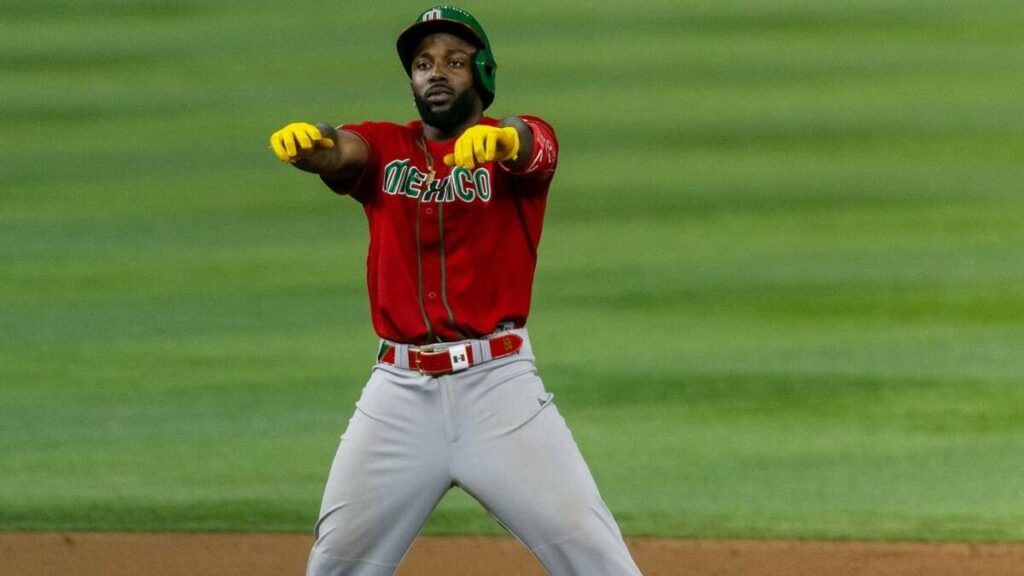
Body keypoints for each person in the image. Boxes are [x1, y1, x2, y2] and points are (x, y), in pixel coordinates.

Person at [269, 6, 643, 576]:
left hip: (501, 393)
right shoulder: (386, 146)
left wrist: (501, 142)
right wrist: (314, 145)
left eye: (454, 61)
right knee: (335, 567)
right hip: (397, 397)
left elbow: (532, 144)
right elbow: (343, 149)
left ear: (484, 73)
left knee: (595, 558)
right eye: (423, 64)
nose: (435, 73)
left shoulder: (517, 146)